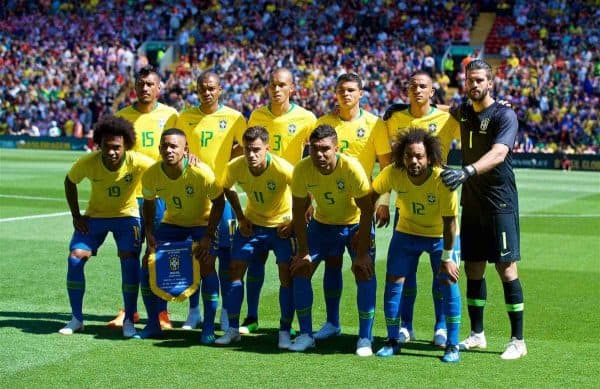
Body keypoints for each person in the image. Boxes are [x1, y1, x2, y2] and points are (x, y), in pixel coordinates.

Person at [441, 59, 527, 360]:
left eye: (479, 80)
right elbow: (435, 111)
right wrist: (403, 107)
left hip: (500, 202)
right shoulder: (463, 111)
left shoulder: (505, 114)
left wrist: (466, 172)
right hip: (473, 203)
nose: (474, 85)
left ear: (490, 83)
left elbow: (500, 153)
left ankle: (518, 340)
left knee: (506, 269)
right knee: (473, 268)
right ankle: (477, 335)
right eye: (470, 80)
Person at [383, 71, 461, 347]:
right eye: (413, 85)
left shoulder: (447, 119)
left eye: (423, 87)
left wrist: (444, 106)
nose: (417, 90)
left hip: (439, 207)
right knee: (406, 274)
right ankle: (406, 326)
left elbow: (474, 115)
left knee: (443, 274)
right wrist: (383, 202)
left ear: (432, 91)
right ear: (407, 89)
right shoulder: (394, 119)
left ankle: (441, 327)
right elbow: (388, 165)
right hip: (406, 210)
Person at [311, 73, 391, 341]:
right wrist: (310, 201)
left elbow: (386, 167)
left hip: (360, 214)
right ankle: (332, 323)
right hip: (327, 212)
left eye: (351, 90)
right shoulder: (323, 123)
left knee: (363, 269)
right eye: (341, 90)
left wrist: (384, 200)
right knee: (331, 265)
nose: (345, 95)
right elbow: (310, 166)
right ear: (335, 93)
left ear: (361, 93)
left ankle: (365, 335)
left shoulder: (374, 124)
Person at [59, 115, 155, 338]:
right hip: (95, 218)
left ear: (126, 146)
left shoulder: (138, 162)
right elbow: (69, 181)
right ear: (98, 144)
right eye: (106, 146)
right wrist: (76, 215)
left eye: (116, 147)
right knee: (75, 258)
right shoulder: (87, 162)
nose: (111, 152)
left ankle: (129, 318)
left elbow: (164, 169)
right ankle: (76, 319)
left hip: (127, 218)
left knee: (129, 259)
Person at [371, 128, 462, 363]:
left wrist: (447, 258)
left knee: (448, 281)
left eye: (419, 156)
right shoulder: (393, 172)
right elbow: (372, 194)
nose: (414, 160)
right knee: (393, 282)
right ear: (402, 156)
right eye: (409, 155)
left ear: (429, 157)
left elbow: (450, 224)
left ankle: (452, 345)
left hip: (440, 236)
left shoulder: (443, 180)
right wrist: (364, 227)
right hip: (406, 232)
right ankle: (392, 340)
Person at [239, 68, 316, 334]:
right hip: (260, 200)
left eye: (282, 85)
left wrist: (308, 200)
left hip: (289, 204)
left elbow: (314, 159)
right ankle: (251, 317)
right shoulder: (257, 116)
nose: (276, 89)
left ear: (292, 88)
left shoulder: (306, 118)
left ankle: (288, 323)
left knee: (290, 267)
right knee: (254, 262)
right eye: (272, 84)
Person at [289, 125, 376, 356]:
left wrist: (364, 252)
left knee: (364, 271)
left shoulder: (351, 169)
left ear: (336, 148)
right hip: (323, 224)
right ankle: (308, 333)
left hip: (355, 224)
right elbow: (297, 212)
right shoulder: (302, 169)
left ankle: (365, 337)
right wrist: (303, 251)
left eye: (325, 149)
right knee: (300, 269)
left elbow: (367, 211)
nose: (319, 154)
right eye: (314, 149)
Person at [137, 128, 225, 343]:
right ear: (159, 149)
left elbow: (219, 201)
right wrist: (149, 233)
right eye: (165, 146)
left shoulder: (200, 172)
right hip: (172, 224)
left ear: (185, 150)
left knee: (206, 264)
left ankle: (207, 327)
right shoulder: (151, 174)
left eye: (174, 146)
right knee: (148, 263)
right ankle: (153, 324)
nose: (169, 150)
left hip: (202, 225)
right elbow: (148, 204)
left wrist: (208, 235)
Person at [176, 71, 247, 331]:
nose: (207, 92)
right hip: (193, 196)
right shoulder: (184, 117)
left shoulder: (234, 117)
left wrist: (231, 158)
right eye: (202, 88)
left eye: (211, 88)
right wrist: (188, 154)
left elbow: (248, 145)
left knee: (227, 258)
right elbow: (176, 148)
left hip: (223, 195)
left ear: (220, 90)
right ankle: (194, 311)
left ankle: (227, 313)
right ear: (197, 90)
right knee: (196, 256)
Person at [214, 126, 296, 349]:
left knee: (286, 276)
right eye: (248, 149)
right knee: (234, 271)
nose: (251, 155)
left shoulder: (282, 168)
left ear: (267, 148)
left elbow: (304, 194)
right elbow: (226, 188)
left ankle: (285, 331)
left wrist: (293, 223)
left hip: (280, 227)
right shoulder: (236, 166)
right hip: (252, 225)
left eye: (256, 150)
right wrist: (240, 216)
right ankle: (232, 329)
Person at [111, 65, 179, 329]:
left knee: (156, 253)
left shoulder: (172, 116)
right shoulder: (122, 117)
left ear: (159, 88)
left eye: (150, 84)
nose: (145, 88)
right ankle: (128, 310)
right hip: (130, 199)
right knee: (129, 254)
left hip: (160, 198)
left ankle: (161, 312)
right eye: (141, 84)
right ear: (135, 86)